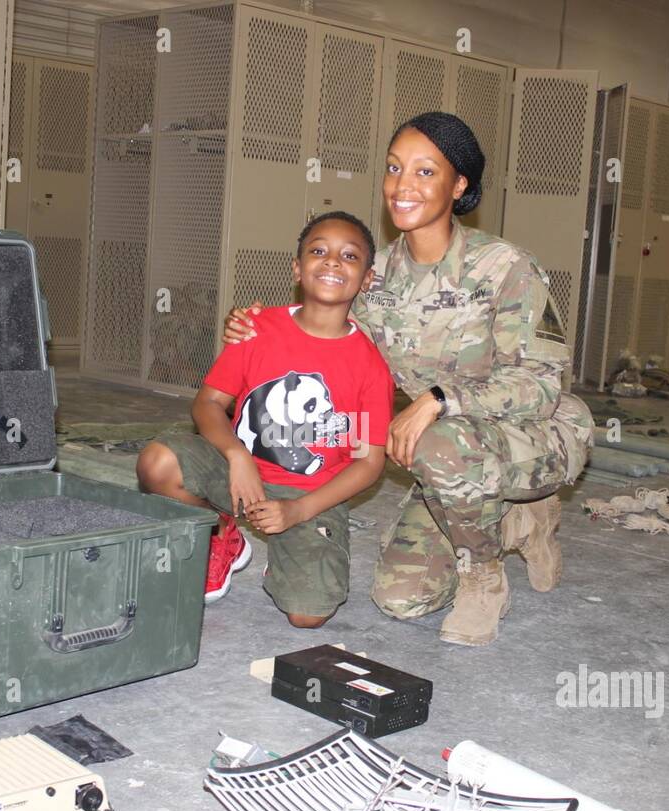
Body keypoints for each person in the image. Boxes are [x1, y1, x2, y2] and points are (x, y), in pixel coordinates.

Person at [225, 112, 593, 646]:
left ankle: (483, 579)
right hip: (452, 452)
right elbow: (325, 337)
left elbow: (540, 386)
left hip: (537, 435)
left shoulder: (504, 266)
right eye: (395, 169)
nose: (403, 186)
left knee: (439, 442)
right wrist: (259, 325)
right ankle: (516, 522)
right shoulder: (378, 279)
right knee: (401, 599)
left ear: (459, 184)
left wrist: (439, 400)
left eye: (425, 172)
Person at [137, 211, 394, 628]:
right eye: (318, 251)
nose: (332, 262)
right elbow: (207, 403)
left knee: (307, 616)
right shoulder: (256, 330)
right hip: (238, 473)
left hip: (310, 494)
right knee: (158, 461)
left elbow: (368, 462)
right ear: (297, 267)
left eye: (349, 256)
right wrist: (236, 455)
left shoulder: (368, 367)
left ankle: (289, 556)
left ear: (367, 279)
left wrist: (298, 511)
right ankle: (220, 536)